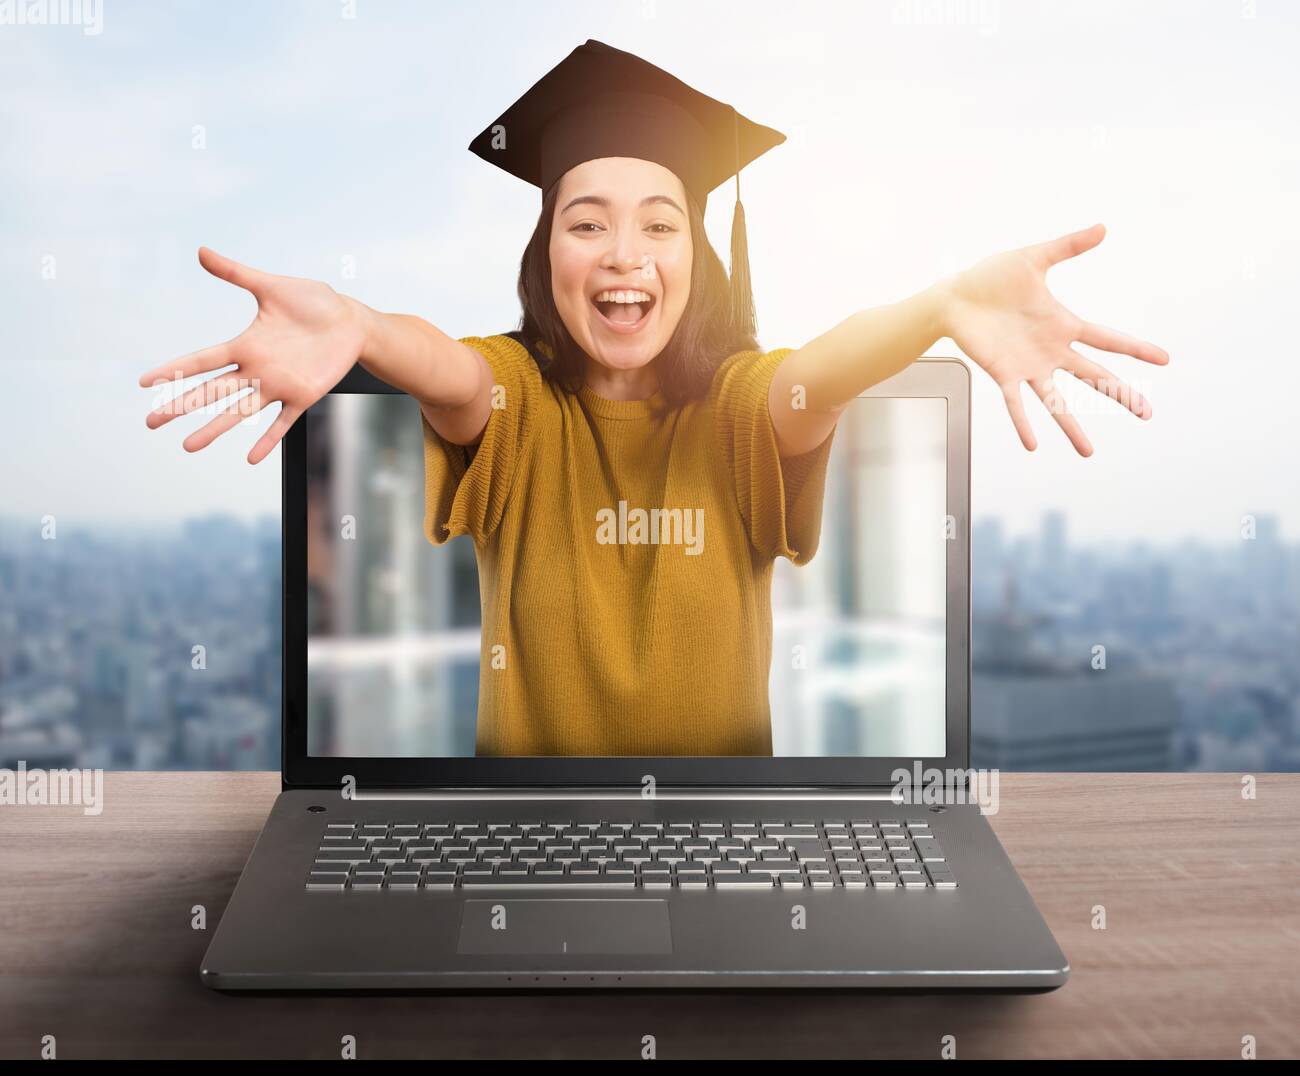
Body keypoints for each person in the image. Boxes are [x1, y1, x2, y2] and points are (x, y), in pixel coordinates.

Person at [139, 40, 1168, 758]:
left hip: (732, 841)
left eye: (659, 225)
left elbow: (820, 375)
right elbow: (447, 372)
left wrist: (937, 307)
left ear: (698, 254)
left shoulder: (737, 410)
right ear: (546, 252)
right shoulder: (517, 405)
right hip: (512, 842)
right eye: (585, 223)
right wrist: (362, 325)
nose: (622, 256)